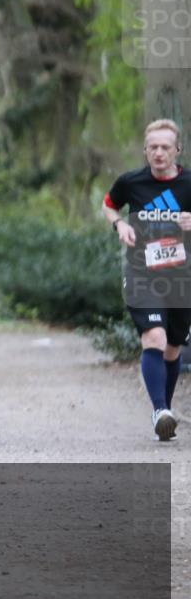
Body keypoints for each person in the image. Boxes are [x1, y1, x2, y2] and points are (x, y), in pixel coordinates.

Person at [101, 118, 191, 441]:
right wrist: (119, 225)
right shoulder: (131, 182)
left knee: (173, 348)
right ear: (144, 150)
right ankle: (159, 411)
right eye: (152, 147)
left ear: (177, 150)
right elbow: (109, 206)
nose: (158, 153)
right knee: (154, 338)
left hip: (182, 279)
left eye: (165, 147)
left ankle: (164, 412)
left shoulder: (189, 184)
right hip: (142, 274)